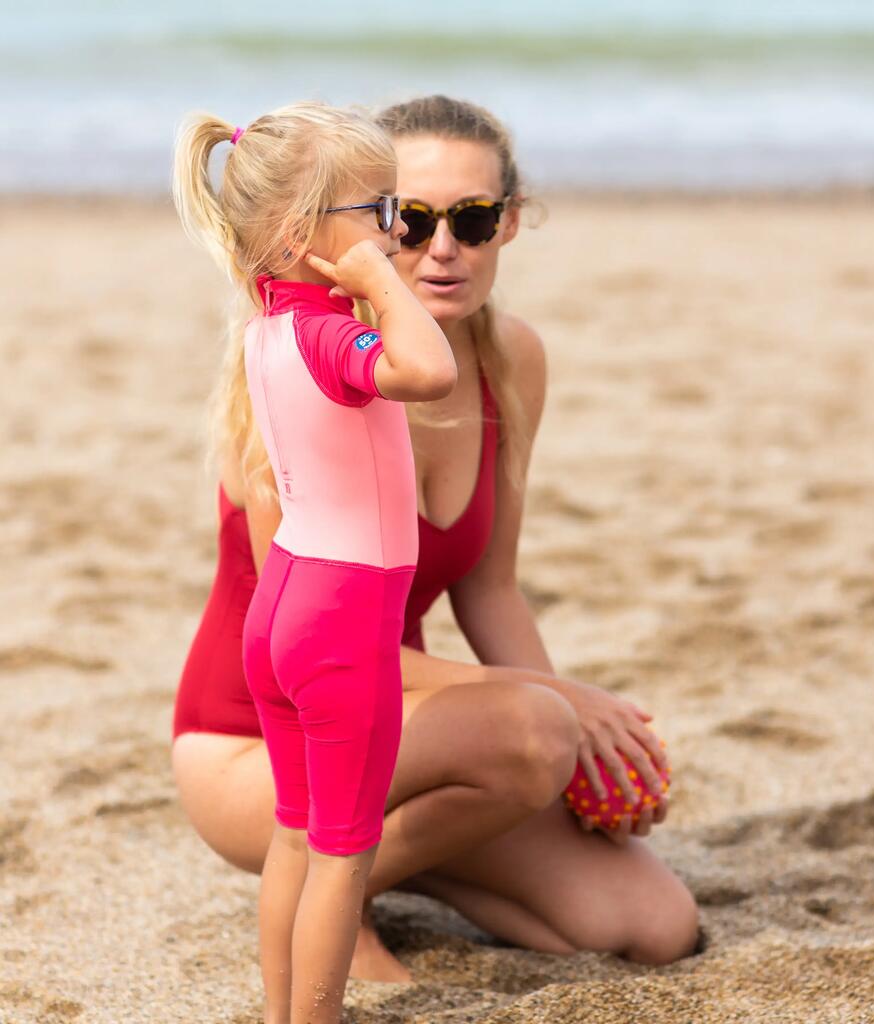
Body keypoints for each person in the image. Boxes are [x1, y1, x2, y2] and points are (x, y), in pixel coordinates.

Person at [172, 96, 699, 984]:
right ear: (353, 221)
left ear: (512, 223)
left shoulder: (512, 359)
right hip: (256, 746)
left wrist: (584, 737)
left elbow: (490, 590)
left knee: (652, 923)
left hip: (395, 722)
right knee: (533, 730)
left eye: (475, 218)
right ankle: (334, 896)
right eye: (405, 219)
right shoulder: (313, 362)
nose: (440, 247)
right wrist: (561, 701)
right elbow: (318, 624)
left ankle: (383, 867)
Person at [172, 100, 457, 1024]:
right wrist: (380, 279)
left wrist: (361, 262)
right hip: (340, 622)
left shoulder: (268, 330)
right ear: (302, 236)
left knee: (295, 838)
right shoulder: (336, 338)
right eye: (379, 213)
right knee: (343, 855)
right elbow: (430, 369)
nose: (395, 232)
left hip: (284, 609)